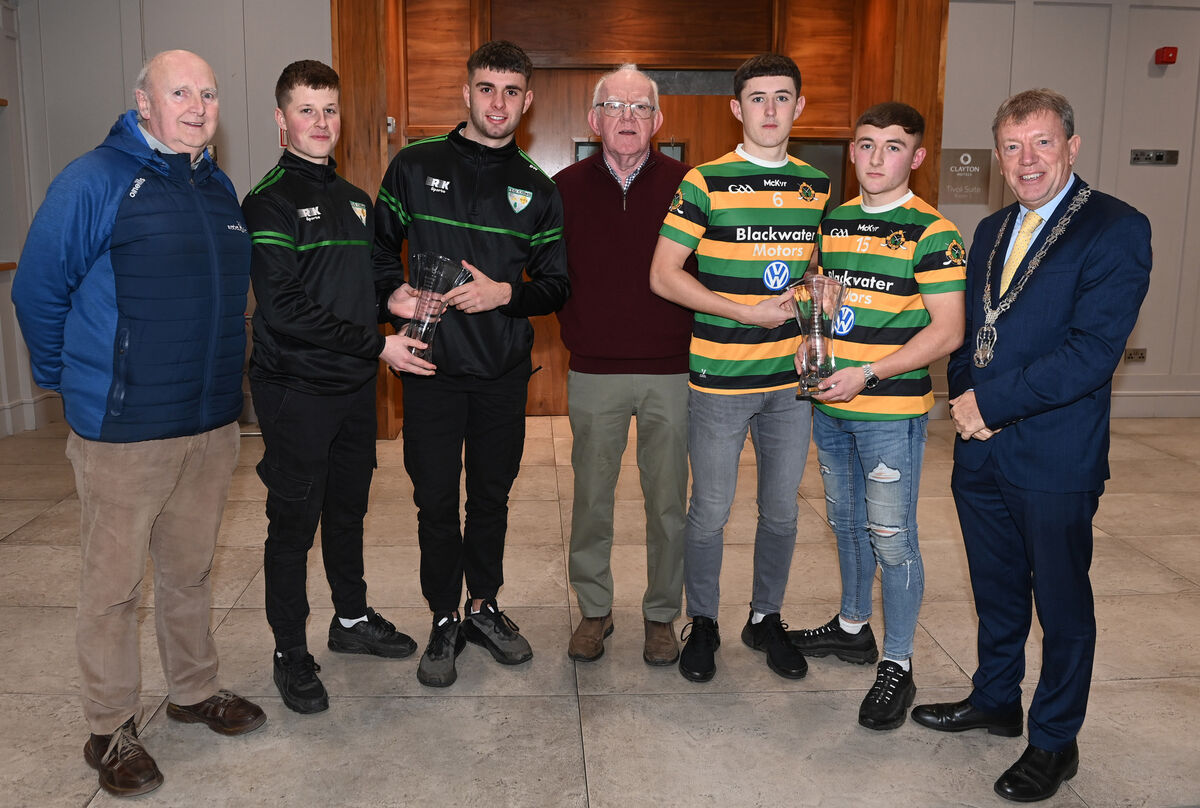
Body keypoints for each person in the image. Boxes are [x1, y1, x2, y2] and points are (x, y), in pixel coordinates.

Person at [11, 49, 264, 797]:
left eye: (208, 92)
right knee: (113, 588)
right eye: (179, 90)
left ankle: (191, 692)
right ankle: (109, 728)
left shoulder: (216, 186)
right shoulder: (94, 180)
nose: (197, 104)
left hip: (210, 424)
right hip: (123, 431)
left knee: (188, 572)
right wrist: (73, 382)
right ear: (141, 102)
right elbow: (36, 292)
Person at [910, 89, 1152, 803]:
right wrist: (964, 399)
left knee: (1062, 603)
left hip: (1055, 455)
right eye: (1013, 147)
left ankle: (1054, 741)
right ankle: (995, 700)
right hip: (981, 450)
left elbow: (1092, 352)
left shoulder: (1115, 228)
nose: (1027, 160)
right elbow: (968, 332)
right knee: (996, 588)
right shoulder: (988, 230)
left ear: (1072, 147)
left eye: (1042, 143)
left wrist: (993, 402)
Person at [373, 40, 570, 688]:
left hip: (500, 378)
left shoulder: (536, 189)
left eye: (512, 91)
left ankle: (483, 605)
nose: (498, 102)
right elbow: (375, 252)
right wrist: (390, 294)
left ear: (528, 100)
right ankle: (442, 616)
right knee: (435, 502)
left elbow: (558, 284)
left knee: (490, 499)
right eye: (487, 88)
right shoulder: (414, 165)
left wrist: (504, 293)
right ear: (466, 92)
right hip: (428, 371)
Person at [243, 60, 434, 715]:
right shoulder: (268, 200)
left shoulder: (356, 199)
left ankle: (348, 621)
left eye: (329, 110)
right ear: (281, 119)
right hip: (296, 390)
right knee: (293, 523)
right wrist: (379, 344)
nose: (320, 122)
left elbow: (360, 287)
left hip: (353, 387)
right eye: (306, 110)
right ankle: (289, 652)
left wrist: (397, 302)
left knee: (347, 511)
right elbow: (286, 307)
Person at [787, 102, 965, 730]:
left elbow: (947, 331)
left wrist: (867, 372)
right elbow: (833, 308)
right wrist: (812, 330)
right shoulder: (833, 224)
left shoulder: (934, 233)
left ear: (915, 157)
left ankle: (899, 662)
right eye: (865, 145)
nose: (876, 158)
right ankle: (853, 627)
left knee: (893, 537)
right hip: (830, 404)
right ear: (852, 152)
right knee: (846, 521)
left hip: (888, 410)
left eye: (893, 147)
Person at [649, 53, 826, 684]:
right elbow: (664, 275)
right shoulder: (704, 182)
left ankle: (765, 618)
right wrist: (742, 313)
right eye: (758, 98)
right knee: (711, 511)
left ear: (799, 107)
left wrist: (812, 331)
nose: (771, 110)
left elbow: (816, 280)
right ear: (737, 108)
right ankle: (705, 622)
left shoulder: (818, 187)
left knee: (781, 512)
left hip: (790, 385)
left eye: (783, 97)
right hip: (720, 381)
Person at [554, 65, 693, 666]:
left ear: (658, 121)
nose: (629, 118)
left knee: (667, 504)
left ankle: (662, 615)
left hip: (673, 372)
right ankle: (594, 609)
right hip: (594, 371)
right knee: (591, 500)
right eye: (615, 107)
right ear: (595, 120)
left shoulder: (693, 186)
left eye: (640, 108)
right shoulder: (562, 188)